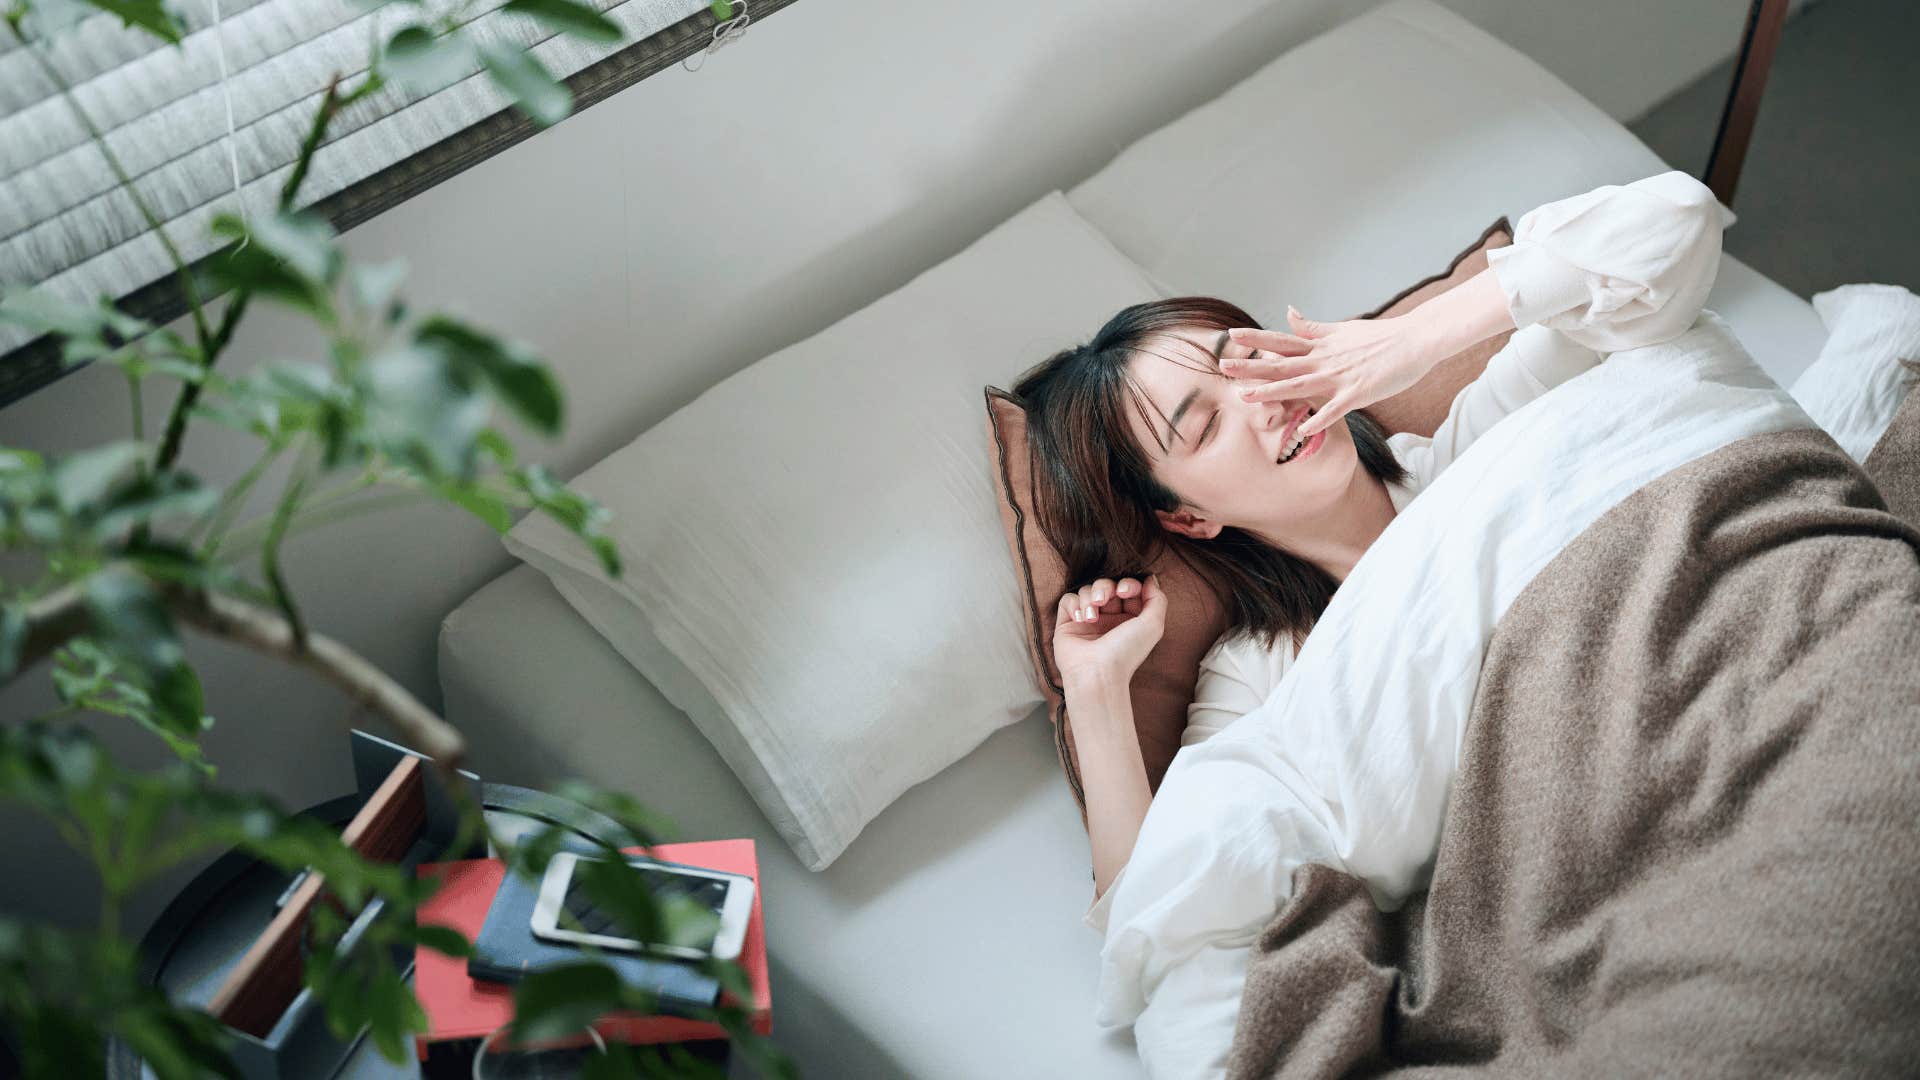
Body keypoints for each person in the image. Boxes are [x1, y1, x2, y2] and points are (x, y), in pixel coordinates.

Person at [1004, 170, 1730, 935]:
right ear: (1187, 519)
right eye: (1205, 426)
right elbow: (1159, 915)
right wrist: (1094, 692)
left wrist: (1414, 341)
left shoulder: (1476, 437)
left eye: (1247, 362)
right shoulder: (1261, 671)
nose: (1264, 399)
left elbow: (1675, 223)